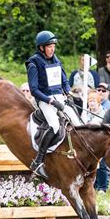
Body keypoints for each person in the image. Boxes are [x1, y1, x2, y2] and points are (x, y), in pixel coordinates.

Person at [25, 30, 79, 179]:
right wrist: (51, 101)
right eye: (49, 46)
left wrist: (68, 93)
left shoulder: (56, 60)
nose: (52, 49)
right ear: (41, 48)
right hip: (44, 99)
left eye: (53, 46)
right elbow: (34, 90)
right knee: (54, 125)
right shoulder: (33, 63)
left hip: (59, 97)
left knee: (78, 123)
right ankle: (38, 161)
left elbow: (64, 81)